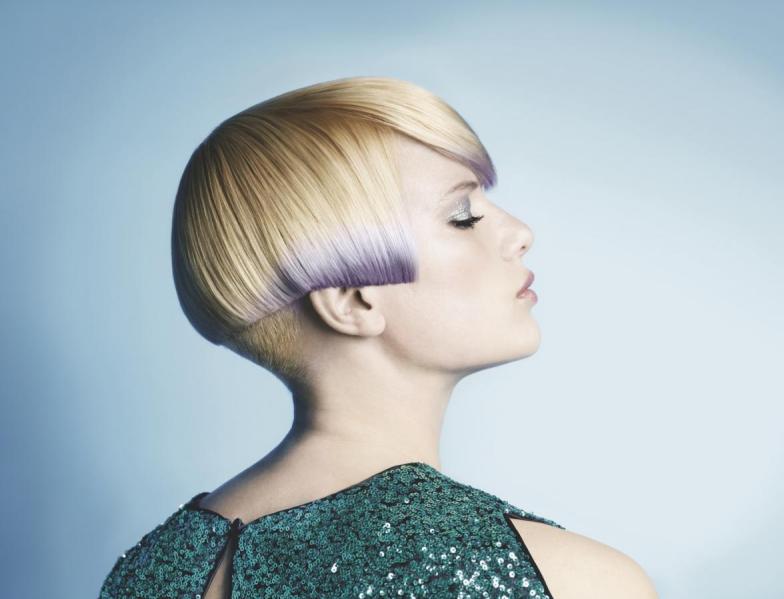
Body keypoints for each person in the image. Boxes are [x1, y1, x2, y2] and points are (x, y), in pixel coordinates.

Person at [98, 76, 658, 598]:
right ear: (351, 300)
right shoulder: (573, 580)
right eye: (462, 216)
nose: (520, 233)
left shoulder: (144, 575)